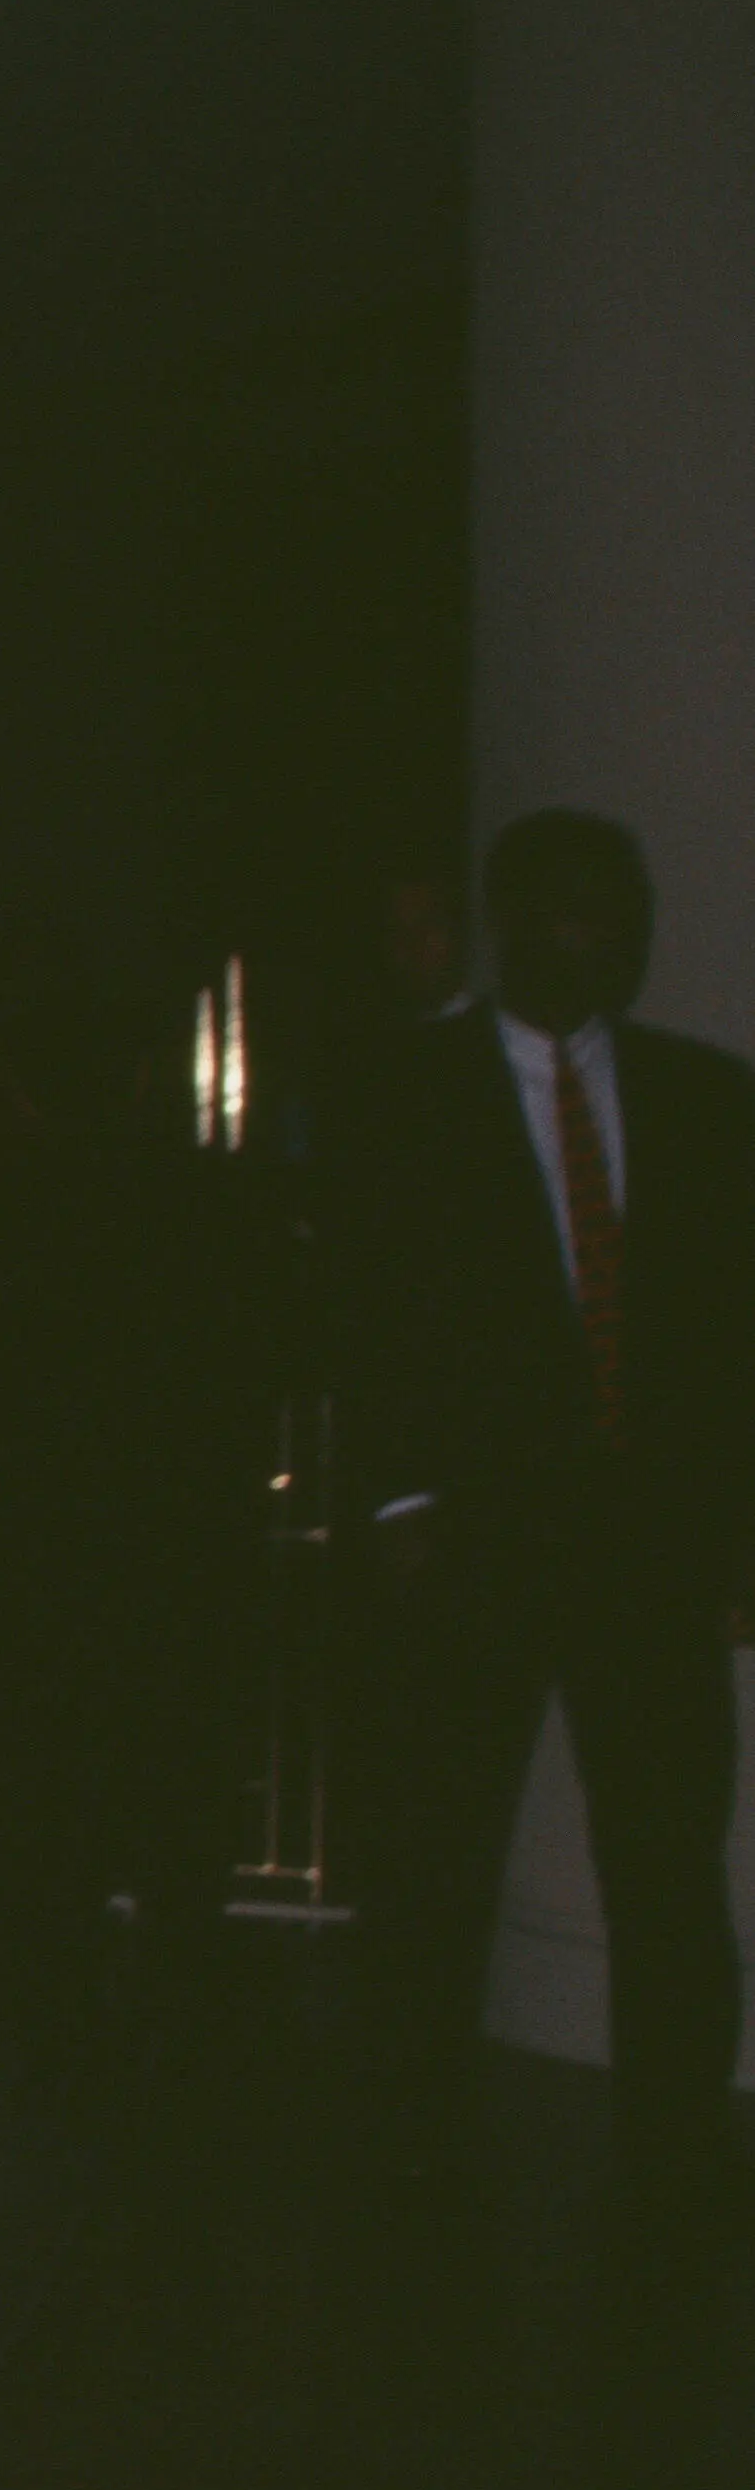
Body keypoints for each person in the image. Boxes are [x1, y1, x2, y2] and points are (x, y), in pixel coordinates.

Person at [332, 809, 755, 2199]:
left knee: (667, 1865)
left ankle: (675, 2157)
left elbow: (731, 1335)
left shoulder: (702, 1097)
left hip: (652, 1550)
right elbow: (359, 1313)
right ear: (514, 921)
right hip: (479, 1540)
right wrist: (399, 1504)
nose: (616, 938)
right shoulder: (405, 1095)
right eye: (582, 911)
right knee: (436, 1854)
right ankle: (407, 2158)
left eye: (628, 911)